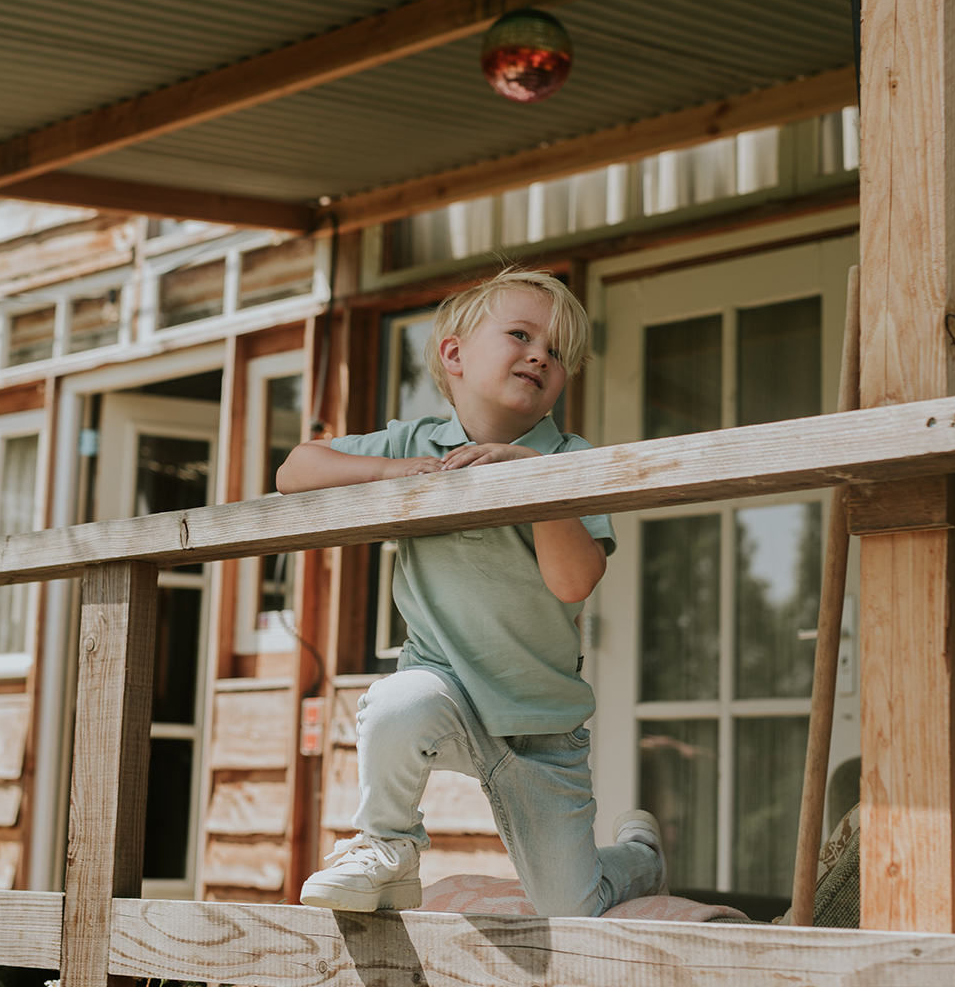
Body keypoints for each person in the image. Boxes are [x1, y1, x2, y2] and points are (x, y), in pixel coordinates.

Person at [276, 268, 666, 917]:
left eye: (557, 352)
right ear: (454, 355)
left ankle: (640, 859)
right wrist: (390, 473)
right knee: (395, 703)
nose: (540, 356)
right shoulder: (414, 443)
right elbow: (295, 470)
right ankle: (388, 846)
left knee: (572, 909)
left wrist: (534, 481)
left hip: (540, 724)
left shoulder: (567, 459)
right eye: (521, 335)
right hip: (444, 691)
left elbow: (574, 581)